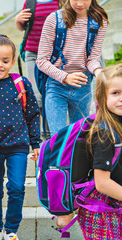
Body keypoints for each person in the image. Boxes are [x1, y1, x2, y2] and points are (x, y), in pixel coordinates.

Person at [0, 34, 42, 240]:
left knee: (17, 187)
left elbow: (32, 113)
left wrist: (36, 143)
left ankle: (11, 230)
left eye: (5, 61)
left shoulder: (22, 83)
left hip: (18, 146)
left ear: (13, 61)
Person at [35, 0, 108, 137]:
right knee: (59, 139)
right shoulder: (54, 19)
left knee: (81, 138)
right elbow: (41, 60)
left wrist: (98, 71)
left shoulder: (99, 21)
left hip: (83, 85)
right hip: (56, 85)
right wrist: (65, 77)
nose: (80, 3)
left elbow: (92, 59)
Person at [77, 64, 122, 239]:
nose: (121, 98)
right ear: (102, 97)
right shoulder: (104, 133)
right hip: (102, 213)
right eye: (115, 93)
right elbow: (102, 183)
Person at [15, 0, 62, 138]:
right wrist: (18, 20)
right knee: (36, 97)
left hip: (54, 55)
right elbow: (23, 26)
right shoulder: (30, 2)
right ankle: (36, 135)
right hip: (33, 54)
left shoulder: (61, 2)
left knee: (51, 95)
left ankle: (50, 136)